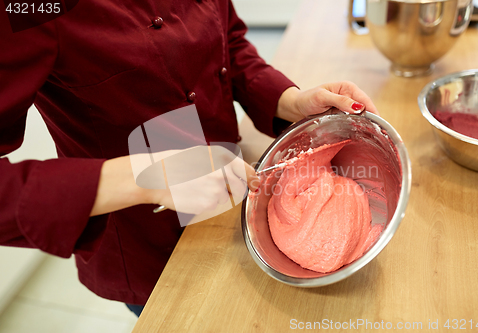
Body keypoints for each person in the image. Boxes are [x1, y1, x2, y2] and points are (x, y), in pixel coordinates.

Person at [0, 0, 378, 317]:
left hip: (234, 200)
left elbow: (228, 42)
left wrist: (289, 100)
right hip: (143, 240)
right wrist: (145, 177)